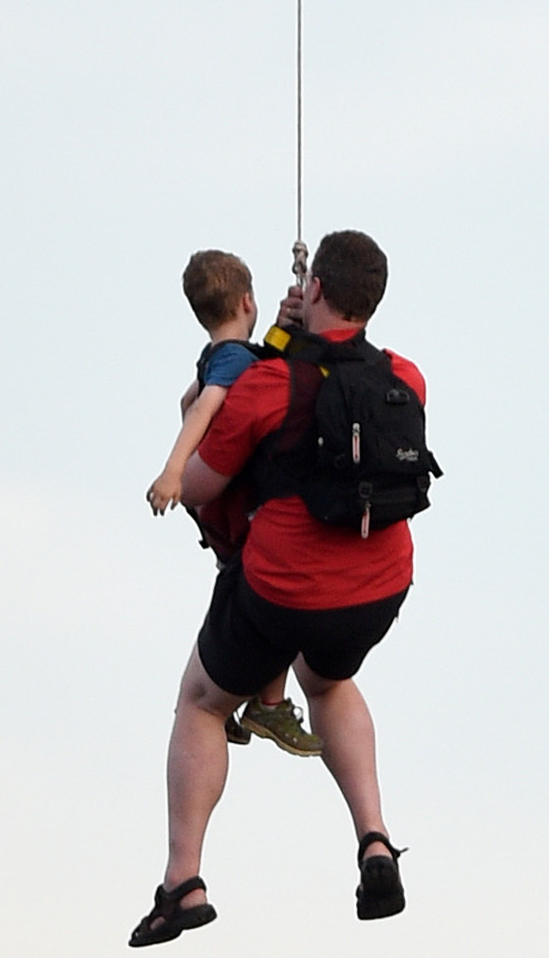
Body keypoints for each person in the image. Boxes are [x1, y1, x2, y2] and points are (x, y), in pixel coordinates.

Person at [131, 230, 435, 947]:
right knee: (328, 683)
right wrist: (299, 339)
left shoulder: (266, 384)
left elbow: (203, 486)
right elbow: (335, 379)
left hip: (279, 588)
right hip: (377, 588)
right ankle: (374, 840)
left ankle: (184, 882)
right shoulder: (407, 377)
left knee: (202, 701)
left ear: (315, 290)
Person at [144, 249, 319, 760]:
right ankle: (268, 702)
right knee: (277, 604)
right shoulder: (234, 363)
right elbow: (208, 402)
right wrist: (177, 469)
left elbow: (190, 400)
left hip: (221, 516)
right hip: (246, 511)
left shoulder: (224, 357)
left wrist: (286, 332)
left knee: (247, 607)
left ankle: (243, 699)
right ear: (248, 300)